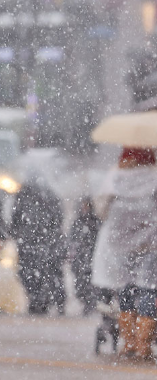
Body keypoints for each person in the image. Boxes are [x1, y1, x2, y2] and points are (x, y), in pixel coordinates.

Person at [92, 147, 157, 360]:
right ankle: (143, 345)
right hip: (150, 241)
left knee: (125, 287)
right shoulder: (154, 176)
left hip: (119, 242)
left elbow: (101, 208)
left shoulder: (115, 176)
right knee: (148, 288)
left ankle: (128, 342)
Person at [10, 181, 66, 315]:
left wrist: (17, 233)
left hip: (31, 243)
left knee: (32, 274)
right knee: (46, 273)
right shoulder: (49, 196)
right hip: (40, 242)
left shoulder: (23, 197)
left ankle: (39, 301)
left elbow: (15, 220)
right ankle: (46, 301)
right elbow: (58, 219)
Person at [68, 197, 101, 315]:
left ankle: (91, 304)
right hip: (80, 259)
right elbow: (72, 239)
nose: (84, 208)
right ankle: (86, 302)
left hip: (92, 258)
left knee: (91, 283)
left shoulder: (95, 222)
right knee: (80, 284)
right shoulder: (77, 223)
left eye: (86, 206)